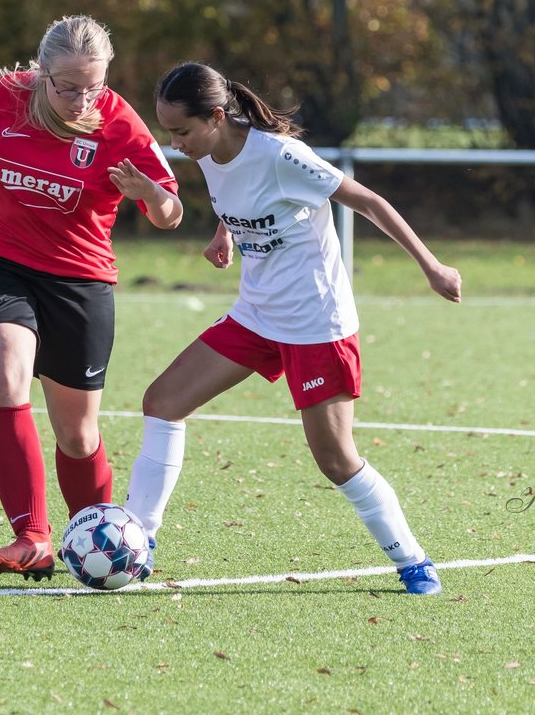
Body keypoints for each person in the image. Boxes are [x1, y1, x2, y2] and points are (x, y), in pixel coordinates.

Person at [122, 61, 462, 595]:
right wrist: (225, 233)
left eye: (181, 131)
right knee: (162, 401)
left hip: (315, 321)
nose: (175, 143)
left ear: (216, 116)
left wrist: (432, 267)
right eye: (168, 131)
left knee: (335, 459)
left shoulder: (282, 155)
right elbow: (242, 196)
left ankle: (413, 559)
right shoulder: (210, 151)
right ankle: (135, 539)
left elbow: (368, 202)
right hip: (256, 313)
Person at [0, 15, 183, 582]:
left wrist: (151, 195)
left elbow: (171, 215)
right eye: (67, 86)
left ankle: (97, 537)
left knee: (77, 433)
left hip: (80, 281)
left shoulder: (121, 124)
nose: (80, 98)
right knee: (6, 376)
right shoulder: (1, 99)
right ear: (41, 72)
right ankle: (32, 537)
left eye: (92, 85)